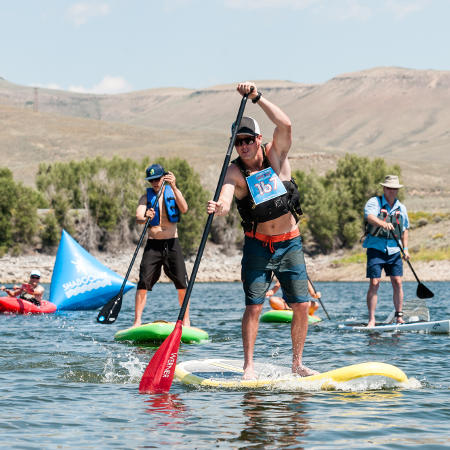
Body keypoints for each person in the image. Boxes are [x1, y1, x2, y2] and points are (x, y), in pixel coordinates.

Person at [207, 81, 316, 379]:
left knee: (301, 304)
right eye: (238, 141)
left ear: (258, 139)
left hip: (289, 242)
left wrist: (256, 97)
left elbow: (286, 123)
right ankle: (249, 367)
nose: (243, 146)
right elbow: (227, 198)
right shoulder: (233, 171)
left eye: (248, 140)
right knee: (254, 307)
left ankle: (297, 363)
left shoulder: (275, 154)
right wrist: (220, 207)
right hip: (257, 246)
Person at [133, 164, 190, 328]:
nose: (155, 183)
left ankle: (185, 320)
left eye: (157, 179)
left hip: (172, 243)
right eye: (152, 180)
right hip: (153, 245)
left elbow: (184, 208)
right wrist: (146, 216)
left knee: (182, 284)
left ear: (164, 178)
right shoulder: (146, 197)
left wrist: (174, 185)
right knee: (143, 283)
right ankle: (137, 321)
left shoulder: (172, 192)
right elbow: (138, 217)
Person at [363, 175, 410, 327]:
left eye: (394, 189)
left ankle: (399, 317)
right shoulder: (374, 202)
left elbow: (404, 230)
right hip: (376, 248)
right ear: (384, 188)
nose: (391, 191)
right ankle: (371, 319)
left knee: (397, 282)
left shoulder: (401, 207)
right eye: (389, 188)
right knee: (375, 282)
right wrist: (383, 223)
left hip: (395, 250)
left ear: (397, 190)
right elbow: (369, 217)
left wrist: (406, 249)